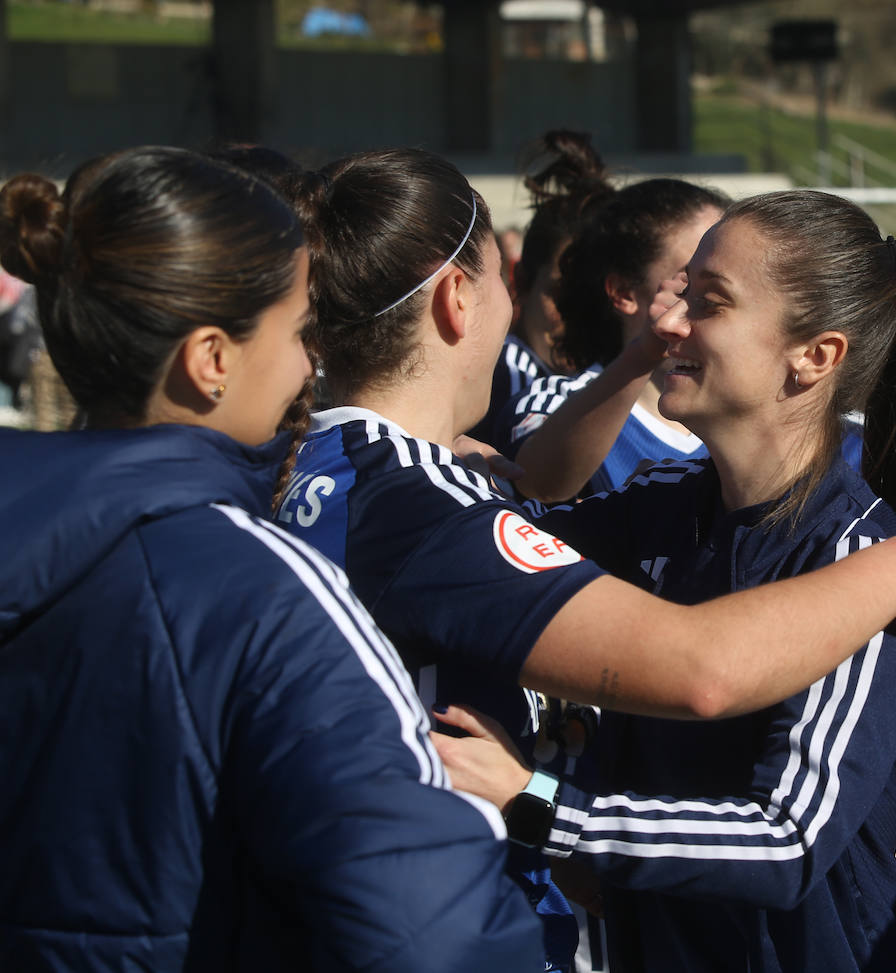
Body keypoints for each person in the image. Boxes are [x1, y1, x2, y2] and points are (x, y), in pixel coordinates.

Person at [273, 151, 896, 969]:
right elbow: (511, 527)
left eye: (710, 302)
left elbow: (787, 838)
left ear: (815, 357)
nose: (673, 323)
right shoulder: (659, 506)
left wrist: (543, 804)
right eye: (681, 292)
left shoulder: (862, 560)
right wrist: (442, 472)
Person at [0, 146, 542, 970]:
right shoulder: (264, 592)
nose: (308, 367)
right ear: (211, 359)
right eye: (298, 332)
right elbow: (437, 935)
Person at [493, 175, 728, 502]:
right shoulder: (559, 399)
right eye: (691, 279)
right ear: (623, 292)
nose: (713, 295)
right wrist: (644, 354)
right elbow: (537, 482)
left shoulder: (740, 412)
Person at [466, 130, 612, 446]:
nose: (581, 317)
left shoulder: (636, 385)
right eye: (562, 296)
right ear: (521, 281)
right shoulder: (503, 377)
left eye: (600, 298)